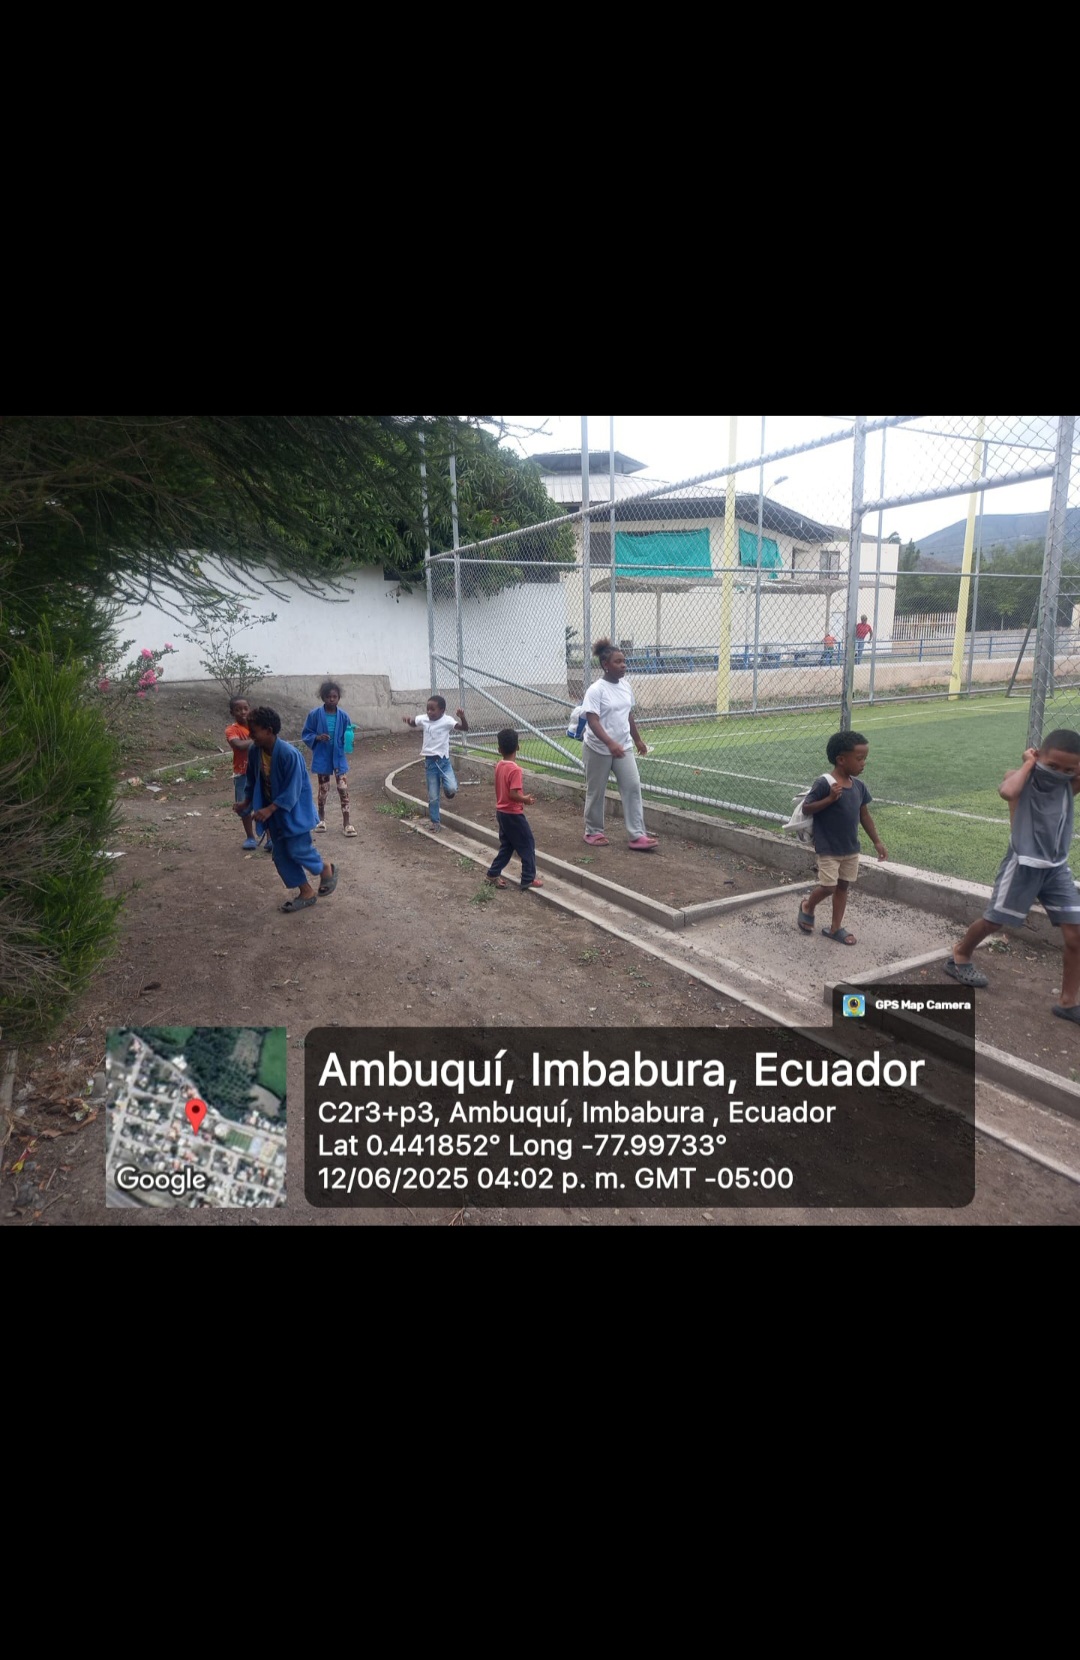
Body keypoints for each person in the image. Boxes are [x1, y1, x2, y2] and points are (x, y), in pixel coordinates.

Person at [944, 730, 1080, 1021]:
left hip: (1056, 869)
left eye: (1068, 770)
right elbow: (1007, 791)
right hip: (1022, 865)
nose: (1059, 774)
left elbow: (1068, 775)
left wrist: (1071, 772)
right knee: (994, 920)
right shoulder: (1024, 778)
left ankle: (1068, 1002)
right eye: (1052, 766)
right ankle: (961, 953)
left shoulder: (1068, 785)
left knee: (1075, 934)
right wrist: (1029, 763)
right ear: (1038, 756)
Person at [797, 730, 887, 945]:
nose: (863, 763)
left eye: (864, 758)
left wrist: (876, 841)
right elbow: (807, 807)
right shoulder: (825, 783)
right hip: (828, 847)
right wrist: (829, 799)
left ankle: (835, 927)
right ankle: (808, 905)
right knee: (828, 886)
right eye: (859, 759)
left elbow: (864, 815)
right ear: (841, 759)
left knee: (843, 886)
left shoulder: (859, 786)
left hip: (850, 848)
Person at [247, 706, 337, 913]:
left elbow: (293, 790)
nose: (250, 735)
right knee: (280, 856)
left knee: (298, 850)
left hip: (294, 813)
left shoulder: (289, 754)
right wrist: (246, 802)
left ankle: (325, 868)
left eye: (254, 731)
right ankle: (306, 892)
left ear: (269, 730)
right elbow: (252, 779)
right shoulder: (255, 752)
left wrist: (270, 809)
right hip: (274, 815)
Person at [580, 638, 658, 852]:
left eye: (624, 661)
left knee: (632, 787)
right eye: (618, 662)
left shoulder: (625, 686)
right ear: (605, 665)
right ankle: (593, 831)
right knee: (596, 791)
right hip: (597, 748)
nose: (623, 665)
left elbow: (628, 715)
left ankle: (637, 835)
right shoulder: (596, 690)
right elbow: (592, 721)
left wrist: (637, 739)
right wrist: (609, 742)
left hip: (623, 747)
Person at [485, 728, 545, 892]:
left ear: (499, 749)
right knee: (527, 843)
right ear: (518, 747)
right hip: (513, 814)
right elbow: (513, 794)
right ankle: (528, 878)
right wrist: (525, 799)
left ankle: (492, 874)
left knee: (508, 846)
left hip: (501, 813)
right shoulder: (515, 769)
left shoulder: (499, 765)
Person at [402, 696, 468, 831]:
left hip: (444, 762)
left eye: (433, 709)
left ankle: (448, 790)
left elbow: (464, 728)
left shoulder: (447, 721)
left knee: (452, 789)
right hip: (430, 763)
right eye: (428, 709)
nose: (429, 712)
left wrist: (462, 717)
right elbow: (415, 722)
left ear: (442, 710)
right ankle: (435, 822)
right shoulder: (424, 719)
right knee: (433, 796)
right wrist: (409, 721)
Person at [301, 680, 356, 837]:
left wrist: (350, 740)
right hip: (323, 757)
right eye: (328, 697)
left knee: (343, 789)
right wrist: (317, 737)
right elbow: (306, 733)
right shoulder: (314, 715)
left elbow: (348, 734)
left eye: (334, 697)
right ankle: (321, 819)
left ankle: (347, 823)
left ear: (338, 698)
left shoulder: (343, 716)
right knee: (323, 789)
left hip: (339, 757)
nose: (331, 699)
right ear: (323, 697)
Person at [225, 697, 259, 850]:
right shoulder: (231, 730)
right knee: (244, 806)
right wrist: (258, 738)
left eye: (245, 708)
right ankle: (250, 837)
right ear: (232, 712)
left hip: (261, 770)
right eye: (238, 710)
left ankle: (269, 837)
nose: (243, 712)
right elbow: (238, 745)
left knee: (264, 803)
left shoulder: (257, 725)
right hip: (242, 772)